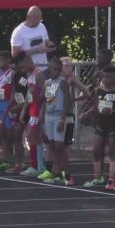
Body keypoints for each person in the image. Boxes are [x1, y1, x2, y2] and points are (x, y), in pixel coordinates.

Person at [81, 66, 115, 190]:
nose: (106, 79)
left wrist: (112, 110)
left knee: (112, 151)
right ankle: (97, 177)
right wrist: (88, 113)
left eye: (109, 77)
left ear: (114, 77)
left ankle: (112, 179)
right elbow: (96, 106)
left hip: (113, 124)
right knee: (96, 150)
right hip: (101, 124)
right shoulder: (98, 90)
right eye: (104, 77)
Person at [59, 56, 91, 185]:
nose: (69, 68)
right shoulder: (55, 79)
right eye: (66, 66)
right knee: (55, 145)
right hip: (55, 115)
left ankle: (67, 175)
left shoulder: (72, 79)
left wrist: (73, 100)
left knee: (65, 146)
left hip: (67, 115)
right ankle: (57, 172)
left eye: (70, 66)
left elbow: (87, 93)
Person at [42, 57, 72, 185]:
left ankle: (68, 174)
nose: (55, 71)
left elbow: (67, 102)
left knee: (60, 146)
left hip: (59, 115)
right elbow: (45, 101)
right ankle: (56, 172)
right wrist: (43, 120)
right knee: (52, 145)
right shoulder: (47, 83)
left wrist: (62, 120)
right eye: (53, 69)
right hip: (49, 116)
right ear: (49, 69)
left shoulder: (63, 82)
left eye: (58, 69)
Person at [17, 51, 46, 177]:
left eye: (23, 66)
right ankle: (39, 165)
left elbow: (45, 93)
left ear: (28, 61)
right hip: (32, 109)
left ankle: (37, 166)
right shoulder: (30, 75)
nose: (22, 70)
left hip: (37, 109)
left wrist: (42, 111)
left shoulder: (39, 74)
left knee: (32, 136)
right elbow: (29, 94)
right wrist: (24, 110)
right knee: (34, 138)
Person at [4, 55, 31, 174]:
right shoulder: (15, 76)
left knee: (33, 137)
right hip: (18, 108)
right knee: (15, 136)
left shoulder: (27, 76)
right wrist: (8, 109)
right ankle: (19, 163)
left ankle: (35, 163)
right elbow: (14, 94)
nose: (13, 67)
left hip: (28, 108)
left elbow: (29, 96)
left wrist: (20, 107)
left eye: (15, 65)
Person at [0, 51, 15, 170]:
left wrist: (10, 106)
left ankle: (15, 159)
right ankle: (5, 159)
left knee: (11, 133)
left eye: (2, 60)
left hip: (7, 105)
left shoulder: (12, 74)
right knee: (2, 133)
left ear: (8, 60)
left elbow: (13, 92)